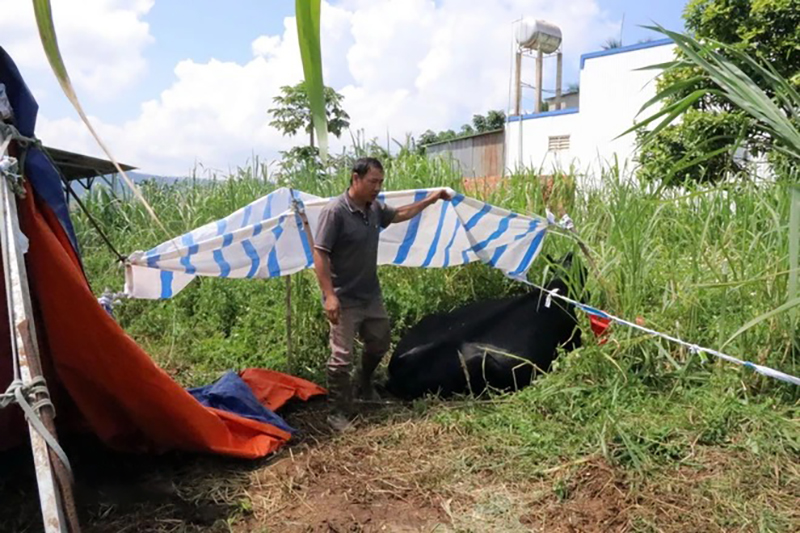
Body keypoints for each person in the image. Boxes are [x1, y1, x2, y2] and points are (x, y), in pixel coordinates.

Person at [312, 157, 451, 431]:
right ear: (355, 178)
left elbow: (398, 214)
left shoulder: (373, 208)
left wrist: (431, 200)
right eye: (372, 182)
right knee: (341, 357)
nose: (377, 187)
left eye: (380, 182)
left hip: (370, 294)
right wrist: (329, 295)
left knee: (379, 343)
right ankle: (337, 413)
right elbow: (320, 252)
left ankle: (364, 381)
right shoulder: (335, 212)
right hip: (343, 296)